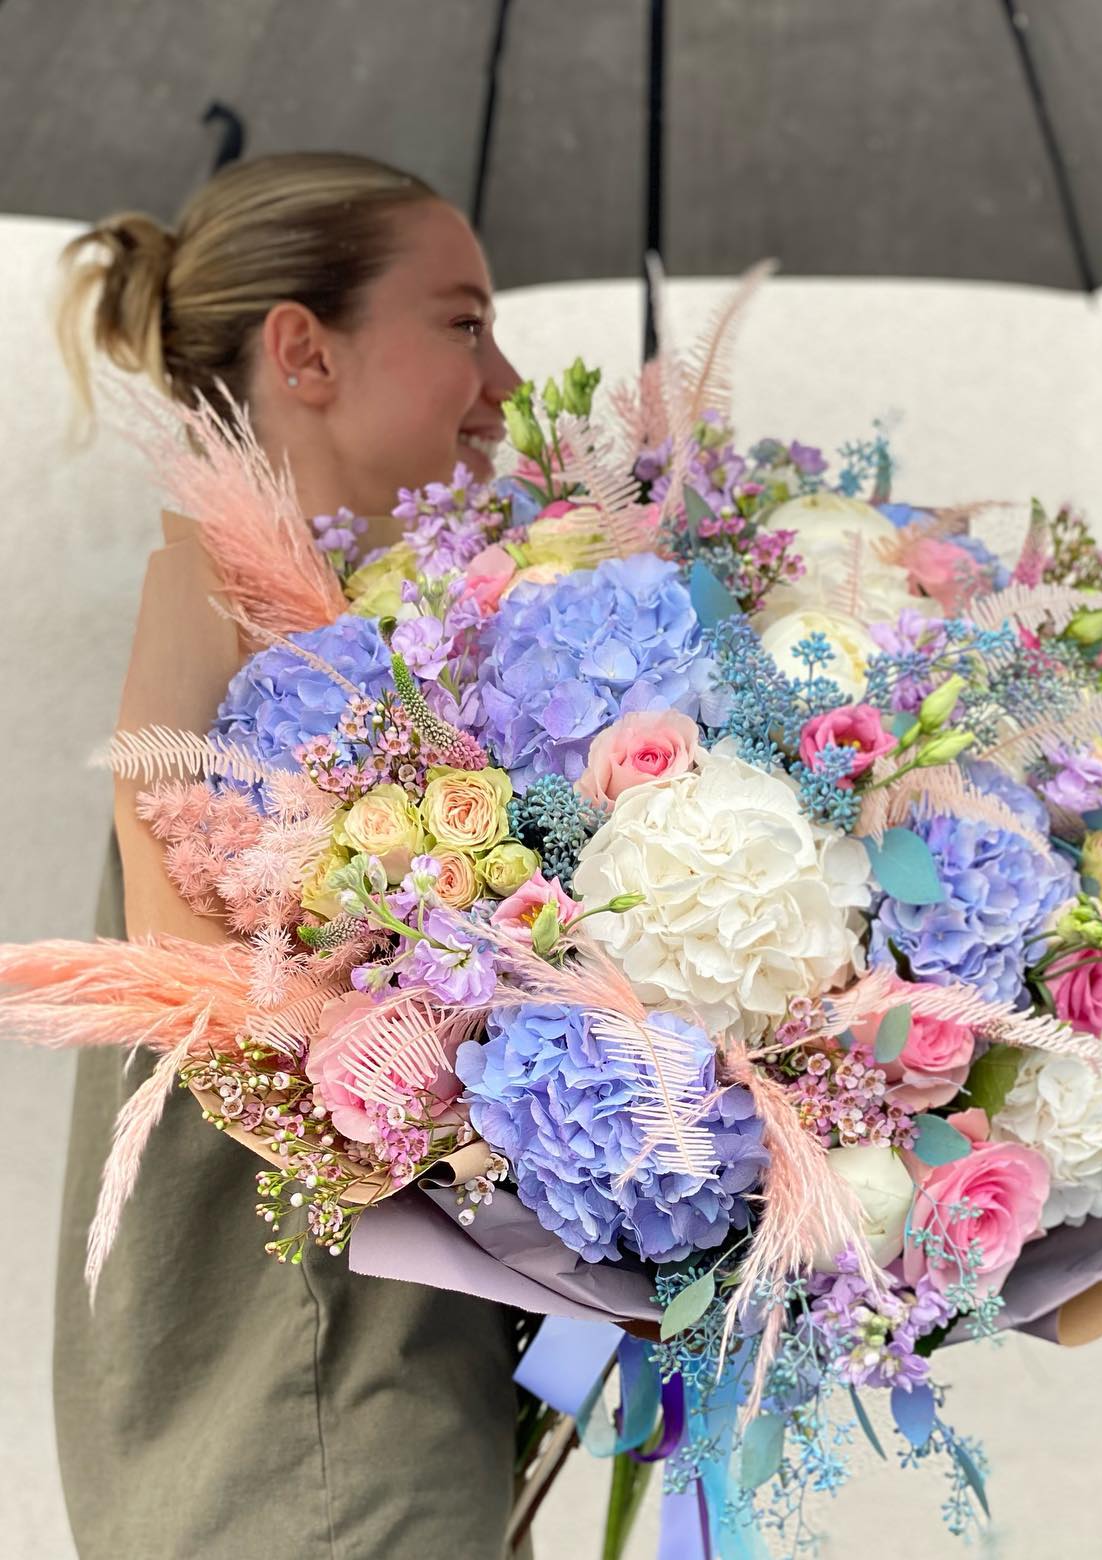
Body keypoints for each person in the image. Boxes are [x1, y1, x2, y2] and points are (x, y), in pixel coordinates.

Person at [53, 152, 525, 1560]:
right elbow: (180, 948)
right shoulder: (211, 571)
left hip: (407, 1380)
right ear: (305, 348)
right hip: (293, 1390)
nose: (503, 377)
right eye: (461, 322)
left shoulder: (408, 620)